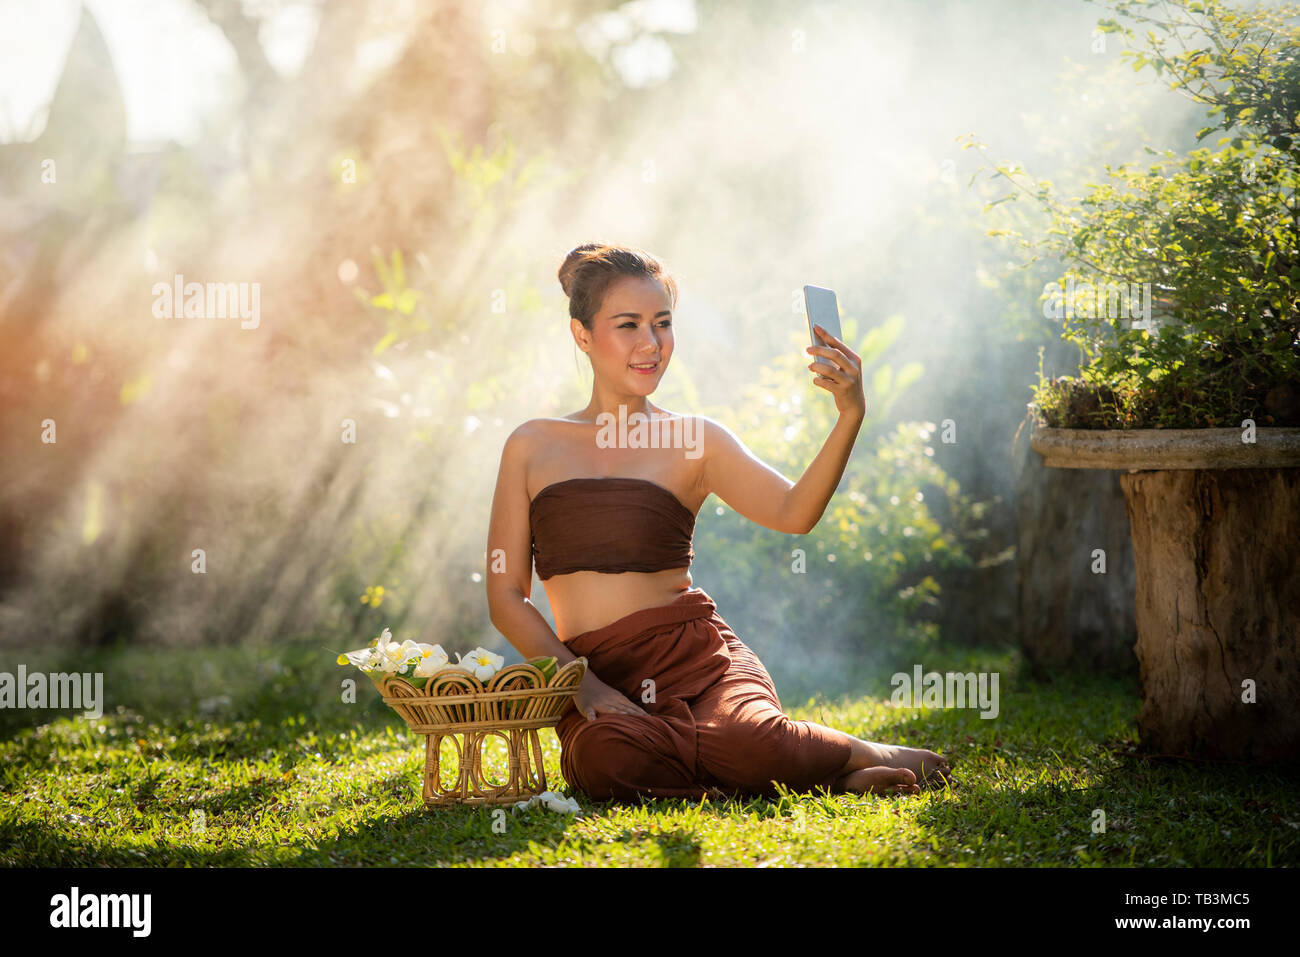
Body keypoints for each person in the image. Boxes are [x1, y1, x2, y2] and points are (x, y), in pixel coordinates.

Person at [485, 241, 951, 802]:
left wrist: (850, 415)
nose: (650, 344)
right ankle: (822, 778)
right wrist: (581, 684)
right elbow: (506, 594)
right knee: (607, 759)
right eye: (628, 324)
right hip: (594, 669)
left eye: (662, 323)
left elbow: (793, 513)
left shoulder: (695, 440)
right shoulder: (532, 446)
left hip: (695, 661)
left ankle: (860, 755)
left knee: (751, 742)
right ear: (582, 335)